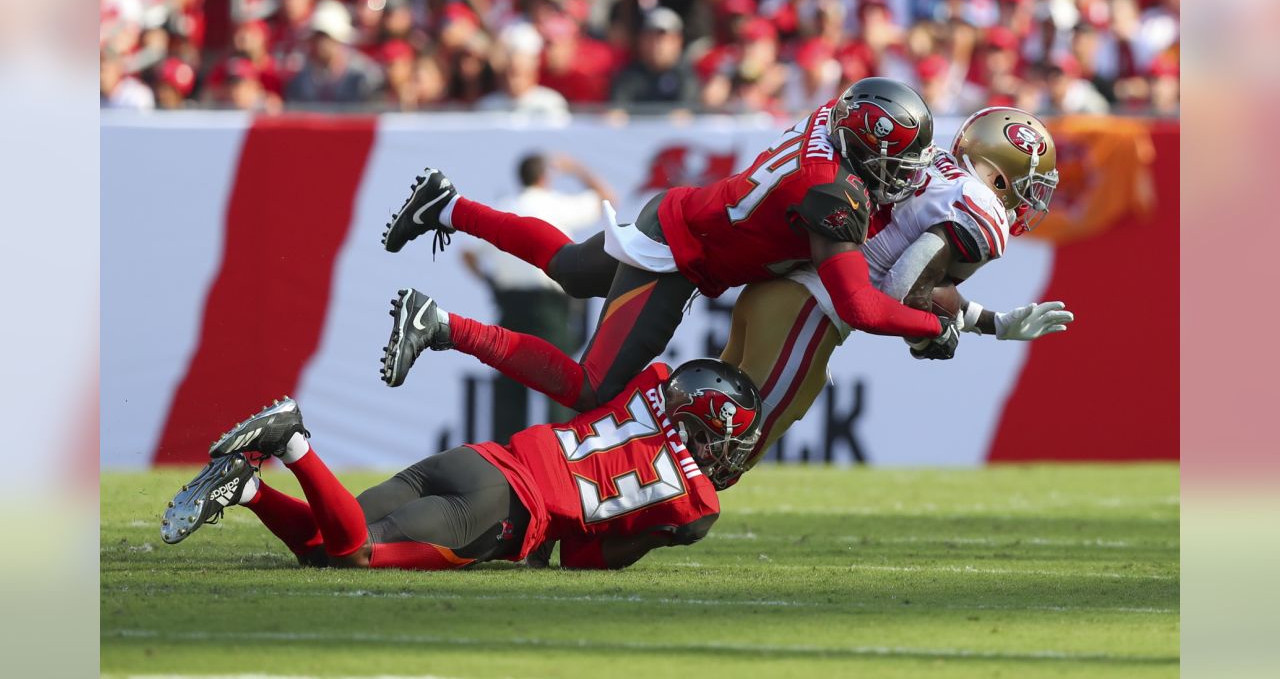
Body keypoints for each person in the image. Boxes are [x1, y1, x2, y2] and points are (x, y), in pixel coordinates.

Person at [378, 77, 956, 414]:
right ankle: (442, 325)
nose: (902, 177)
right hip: (681, 254)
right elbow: (858, 306)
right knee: (590, 388)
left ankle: (444, 205)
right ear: (863, 145)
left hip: (683, 214)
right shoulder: (829, 190)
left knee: (574, 269)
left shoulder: (832, 120)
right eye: (897, 162)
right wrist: (935, 327)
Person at [720, 107, 1075, 469]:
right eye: (1030, 184)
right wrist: (926, 338)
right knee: (730, 447)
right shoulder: (980, 207)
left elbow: (926, 284)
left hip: (773, 293)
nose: (1032, 198)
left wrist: (994, 324)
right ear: (998, 177)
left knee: (709, 418)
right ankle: (667, 510)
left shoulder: (936, 164)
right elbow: (904, 292)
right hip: (806, 311)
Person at [160, 359, 762, 571]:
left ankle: (248, 491)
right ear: (702, 426)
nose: (725, 454)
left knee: (323, 543)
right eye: (723, 438)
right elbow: (586, 557)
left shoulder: (652, 385)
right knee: (355, 557)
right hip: (498, 511)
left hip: (478, 458)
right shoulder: (697, 503)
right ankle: (294, 445)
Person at [460, 153, 617, 441]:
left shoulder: (504, 207)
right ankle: (564, 451)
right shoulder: (555, 205)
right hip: (549, 308)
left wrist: (489, 281)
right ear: (545, 177)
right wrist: (576, 166)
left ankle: (502, 456)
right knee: (560, 381)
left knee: (508, 384)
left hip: (510, 303)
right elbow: (608, 198)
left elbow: (467, 252)